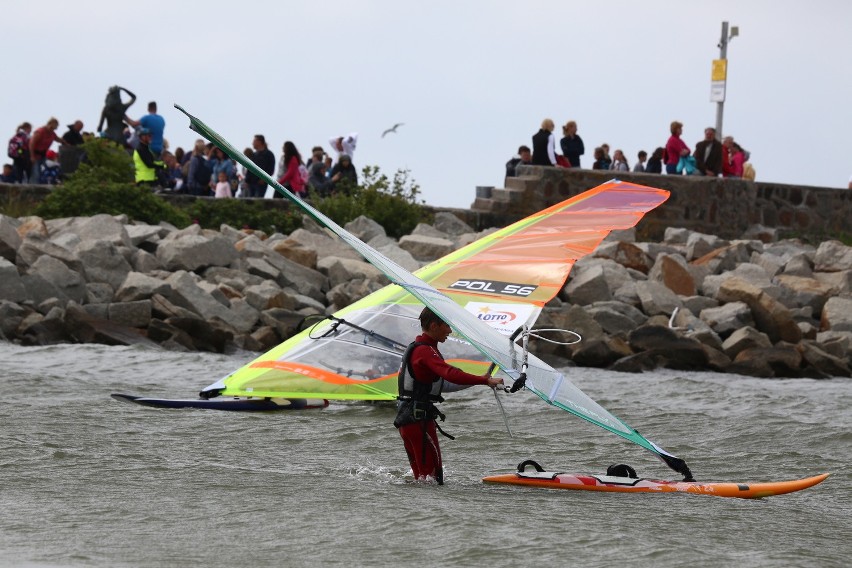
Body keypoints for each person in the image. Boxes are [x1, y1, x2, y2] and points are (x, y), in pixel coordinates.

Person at [393, 307, 502, 484]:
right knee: (432, 480)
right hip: (417, 421)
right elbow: (450, 373)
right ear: (434, 325)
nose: (450, 331)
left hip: (410, 421)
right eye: (447, 326)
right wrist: (483, 380)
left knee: (423, 479)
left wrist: (482, 381)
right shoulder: (425, 351)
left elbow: (446, 384)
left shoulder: (423, 349)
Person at [29, 118, 67, 183]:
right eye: (51, 127)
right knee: (36, 173)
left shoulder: (52, 133)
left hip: (43, 155)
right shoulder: (40, 132)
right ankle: (33, 187)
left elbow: (57, 139)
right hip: (35, 155)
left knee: (46, 170)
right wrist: (32, 156)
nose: (52, 129)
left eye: (54, 128)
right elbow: (31, 144)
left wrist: (65, 143)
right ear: (49, 124)